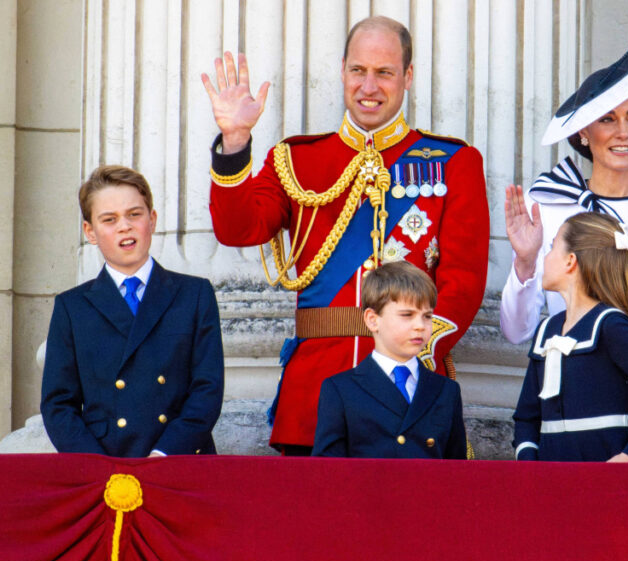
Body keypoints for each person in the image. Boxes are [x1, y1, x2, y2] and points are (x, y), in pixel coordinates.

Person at [201, 16, 489, 455]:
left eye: (384, 72)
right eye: (358, 70)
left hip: (408, 393)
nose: (368, 86)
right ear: (342, 71)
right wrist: (235, 141)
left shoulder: (454, 163)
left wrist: (413, 355)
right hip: (314, 396)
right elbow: (238, 229)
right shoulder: (296, 160)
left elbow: (463, 281)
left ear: (408, 77)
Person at [501, 41, 628, 460]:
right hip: (562, 421)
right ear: (583, 131)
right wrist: (525, 262)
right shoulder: (552, 209)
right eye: (607, 119)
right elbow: (516, 330)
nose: (623, 132)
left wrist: (623, 359)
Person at [41, 166, 225, 457]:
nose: (124, 226)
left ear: (151, 220)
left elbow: (207, 389)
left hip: (180, 458)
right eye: (109, 219)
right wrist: (97, 465)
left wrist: (165, 453)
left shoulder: (194, 294)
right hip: (103, 464)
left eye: (134, 214)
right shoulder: (72, 306)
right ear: (90, 231)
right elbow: (58, 404)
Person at [512, 212, 628, 462]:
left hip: (603, 484)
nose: (545, 257)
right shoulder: (547, 330)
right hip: (549, 484)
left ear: (570, 261)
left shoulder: (610, 325)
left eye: (552, 247)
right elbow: (526, 416)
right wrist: (528, 465)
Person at [312, 262, 467, 459]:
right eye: (407, 315)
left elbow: (457, 472)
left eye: (427, 316)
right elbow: (327, 472)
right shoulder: (340, 390)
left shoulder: (446, 391)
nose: (420, 325)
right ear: (372, 320)